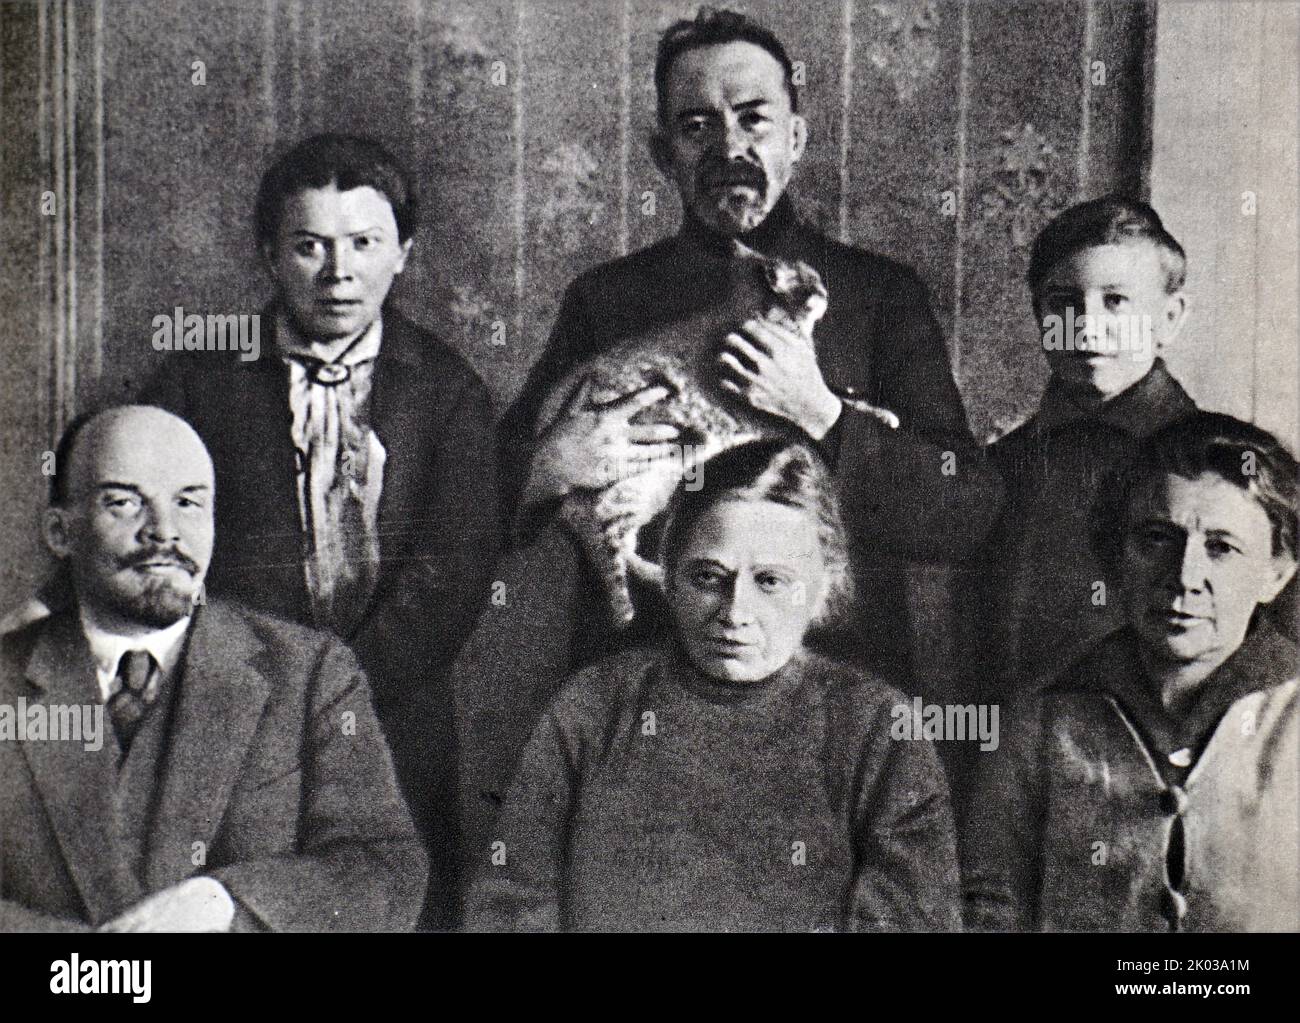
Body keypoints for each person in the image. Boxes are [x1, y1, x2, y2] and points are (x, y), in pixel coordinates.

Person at [456, 8, 1000, 871]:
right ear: (661, 151)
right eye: (696, 124)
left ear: (796, 135)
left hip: (833, 712)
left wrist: (819, 412)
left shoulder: (877, 295)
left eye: (753, 118)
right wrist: (553, 461)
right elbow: (477, 502)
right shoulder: (606, 300)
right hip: (642, 704)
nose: (728, 145)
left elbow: (961, 508)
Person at [142, 133, 501, 927]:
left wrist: (338, 691)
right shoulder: (199, 379)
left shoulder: (448, 391)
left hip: (395, 714)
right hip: (237, 706)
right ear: (270, 255)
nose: (339, 274)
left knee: (394, 903)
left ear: (403, 253)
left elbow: (454, 573)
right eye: (310, 246)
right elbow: (162, 538)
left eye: (365, 244)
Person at [465, 441, 961, 932]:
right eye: (708, 577)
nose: (734, 613)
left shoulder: (878, 729)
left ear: (823, 589)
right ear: (670, 577)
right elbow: (512, 903)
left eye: (769, 581)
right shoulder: (593, 707)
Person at [0, 406, 425, 932]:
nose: (163, 532)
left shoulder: (311, 674)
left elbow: (384, 871)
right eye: (124, 503)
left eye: (188, 503)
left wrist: (226, 903)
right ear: (60, 532)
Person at [962, 412, 1298, 932]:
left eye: (1221, 547)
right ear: (1118, 556)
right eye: (1156, 539)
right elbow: (987, 910)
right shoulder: (1041, 728)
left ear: (1276, 574)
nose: (1184, 578)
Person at [965, 196, 1198, 704]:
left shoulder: (1224, 474)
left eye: (1116, 301)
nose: (1086, 327)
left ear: (1171, 318)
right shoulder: (996, 470)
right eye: (1063, 303)